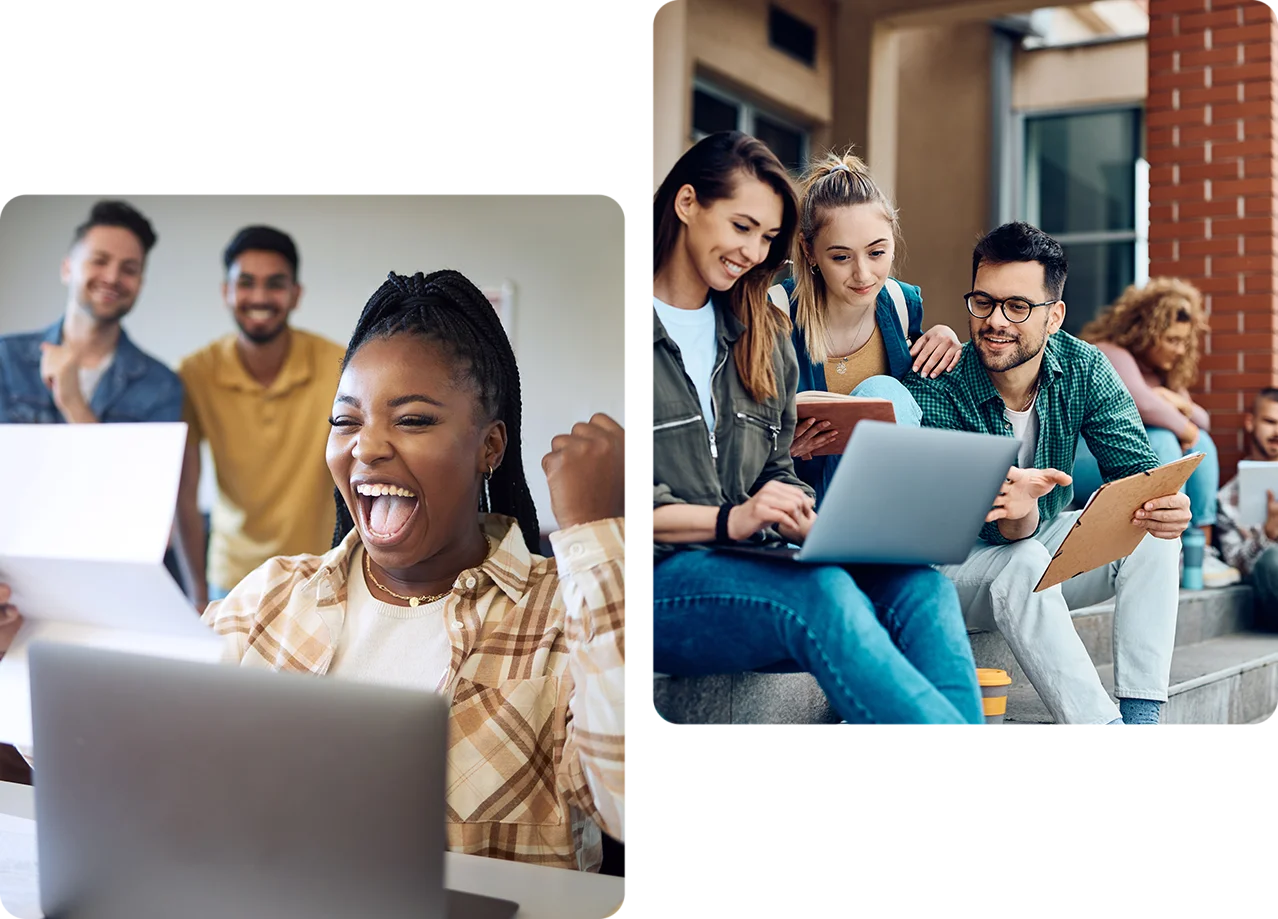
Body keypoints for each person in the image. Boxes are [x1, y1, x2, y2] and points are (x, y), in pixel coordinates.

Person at [3, 270, 630, 870]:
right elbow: (128, 762)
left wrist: (597, 536)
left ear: (489, 446)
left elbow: (631, 810)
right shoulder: (272, 599)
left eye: (412, 419)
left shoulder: (565, 611)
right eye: (345, 420)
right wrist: (18, 652)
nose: (367, 446)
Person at [647, 130, 983, 728]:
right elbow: (617, 509)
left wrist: (804, 513)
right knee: (823, 592)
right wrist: (733, 518)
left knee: (921, 591)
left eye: (767, 237)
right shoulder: (629, 323)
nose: (753, 251)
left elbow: (778, 469)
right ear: (687, 203)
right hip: (659, 582)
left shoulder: (756, 330)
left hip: (760, 558)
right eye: (742, 226)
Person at [904, 221, 1192, 727]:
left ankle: (1142, 722)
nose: (996, 321)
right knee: (1022, 557)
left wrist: (1165, 504)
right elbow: (985, 530)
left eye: (1018, 306)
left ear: (1054, 315)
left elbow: (1138, 476)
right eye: (983, 302)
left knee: (1152, 534)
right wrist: (1020, 518)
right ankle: (1101, 732)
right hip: (950, 571)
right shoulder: (939, 380)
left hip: (1035, 549)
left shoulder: (1085, 367)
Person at [172, 226, 347, 610]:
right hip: (230, 581)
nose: (260, 297)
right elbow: (183, 491)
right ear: (226, 292)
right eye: (246, 283)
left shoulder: (339, 365)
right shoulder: (195, 373)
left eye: (275, 284)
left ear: (296, 294)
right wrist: (196, 594)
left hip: (318, 574)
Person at [781, 152, 963, 503]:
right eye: (841, 257)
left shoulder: (901, 305)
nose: (863, 275)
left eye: (877, 252)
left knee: (887, 391)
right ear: (809, 251)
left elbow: (920, 409)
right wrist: (777, 449)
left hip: (887, 499)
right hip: (798, 507)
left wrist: (949, 341)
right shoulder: (774, 315)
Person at [1071, 277, 1237, 589]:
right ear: (1146, 331)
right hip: (1087, 459)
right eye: (1173, 339)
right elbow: (1140, 402)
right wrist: (1176, 414)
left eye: (1185, 342)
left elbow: (1202, 420)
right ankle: (1168, 547)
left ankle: (1199, 548)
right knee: (1162, 437)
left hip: (1139, 463)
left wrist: (1172, 399)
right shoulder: (1110, 352)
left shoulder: (1161, 375)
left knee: (1201, 442)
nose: (1180, 350)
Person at [0, 200, 181, 425]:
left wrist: (73, 403)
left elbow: (145, 463)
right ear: (67, 269)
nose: (112, 278)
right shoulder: (6, 359)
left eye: (129, 269)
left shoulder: (162, 386)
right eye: (99, 261)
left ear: (140, 284)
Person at [1216, 388, 1278, 629]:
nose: (1276, 431)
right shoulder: (1227, 498)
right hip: (1269, 590)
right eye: (1270, 422)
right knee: (1272, 560)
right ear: (1251, 423)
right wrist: (1267, 535)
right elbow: (1236, 566)